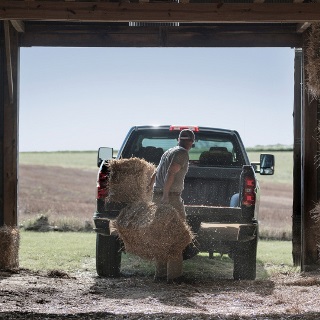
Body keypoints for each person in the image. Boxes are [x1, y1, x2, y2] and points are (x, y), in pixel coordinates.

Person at [149, 129, 195, 284]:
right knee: (178, 235)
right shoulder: (182, 153)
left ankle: (160, 274)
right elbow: (171, 172)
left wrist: (152, 191)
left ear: (178, 139)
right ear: (191, 142)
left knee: (161, 235)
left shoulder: (169, 151)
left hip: (157, 195)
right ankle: (174, 276)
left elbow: (156, 172)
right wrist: (166, 195)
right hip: (170, 198)